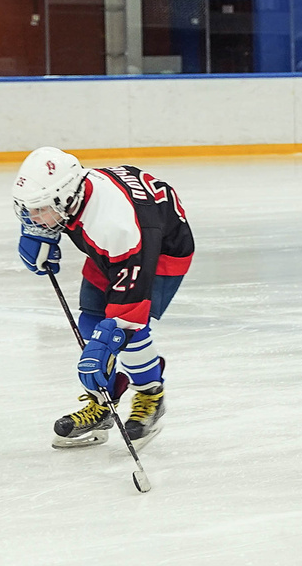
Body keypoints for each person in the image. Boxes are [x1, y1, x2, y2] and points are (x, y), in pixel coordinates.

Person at [12, 147, 195, 451]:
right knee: (91, 321)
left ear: (65, 199)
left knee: (127, 330)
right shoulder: (72, 193)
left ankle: (150, 395)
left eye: (40, 208)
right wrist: (39, 231)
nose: (32, 216)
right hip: (112, 246)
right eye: (29, 208)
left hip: (160, 249)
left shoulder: (117, 227)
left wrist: (106, 343)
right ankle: (103, 401)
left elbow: (129, 314)